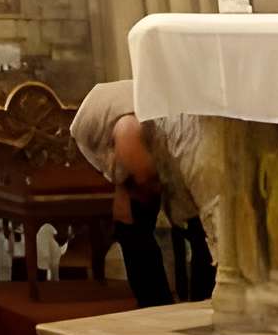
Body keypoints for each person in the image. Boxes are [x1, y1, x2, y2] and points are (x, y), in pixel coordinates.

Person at [72, 80, 216, 307]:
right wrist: (129, 185)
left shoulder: (119, 122)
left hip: (194, 162)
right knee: (130, 227)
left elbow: (129, 135)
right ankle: (160, 307)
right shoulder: (103, 118)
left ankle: (195, 306)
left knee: (206, 240)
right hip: (161, 154)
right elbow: (128, 142)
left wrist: (144, 184)